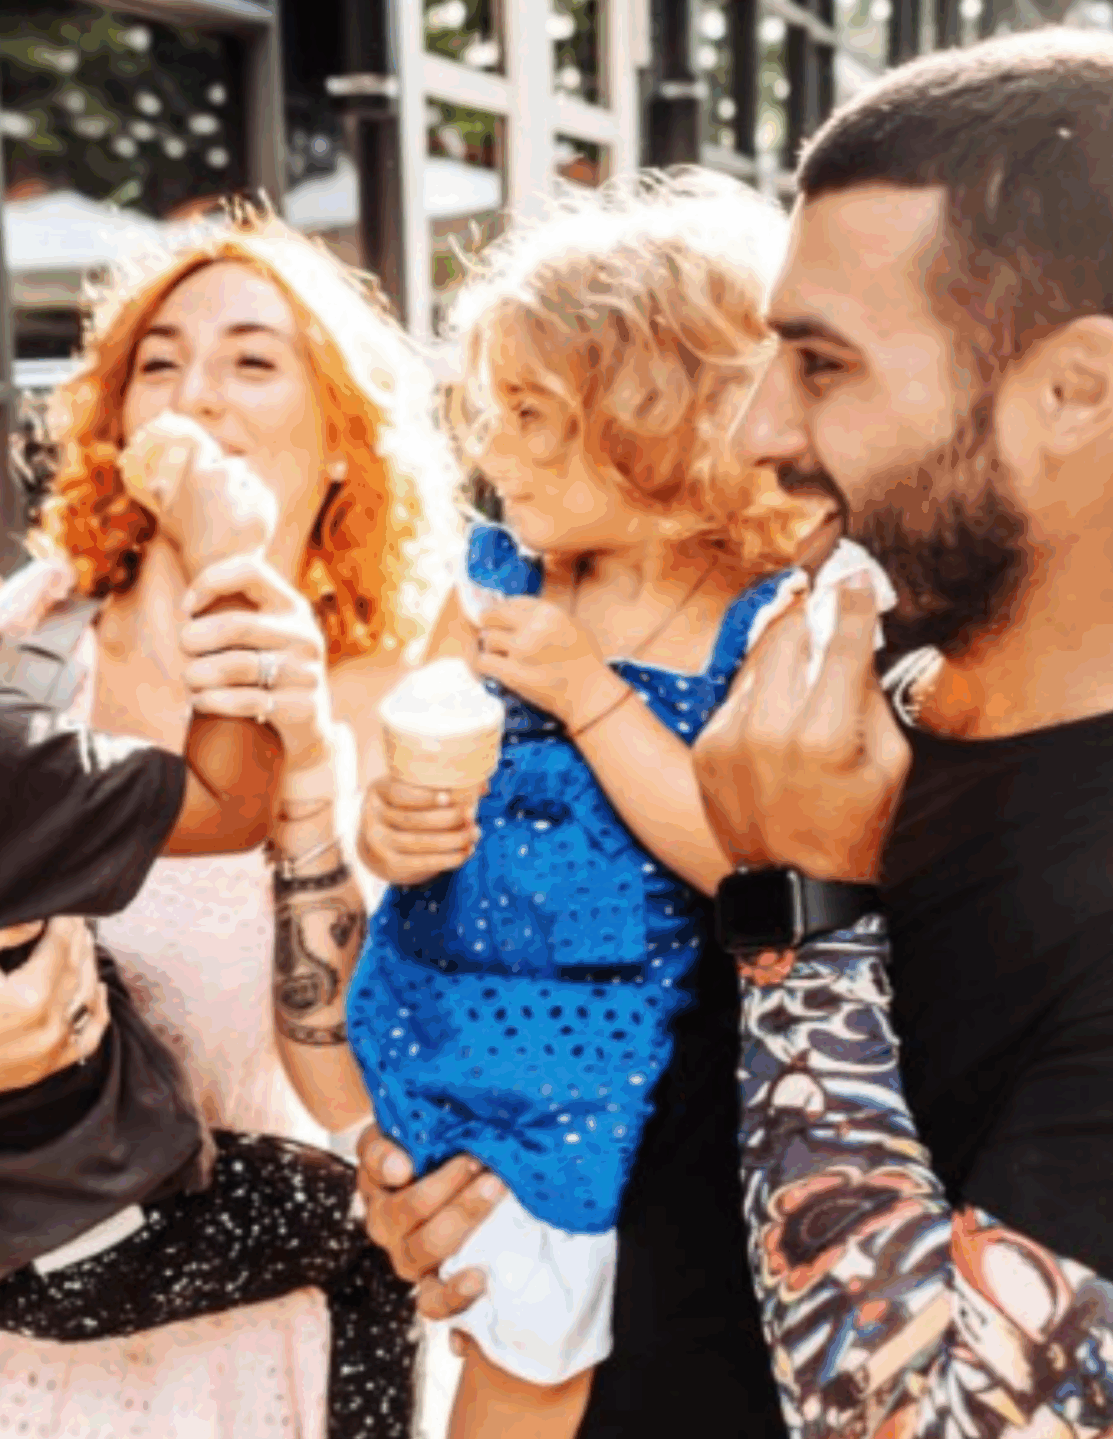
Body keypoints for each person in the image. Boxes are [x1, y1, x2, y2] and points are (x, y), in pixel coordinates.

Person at [356, 32, 1113, 1439]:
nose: (759, 429)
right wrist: (468, 1193)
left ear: (1075, 393)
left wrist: (804, 916)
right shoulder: (812, 686)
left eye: (821, 364)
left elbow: (920, 1422)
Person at [0, 211, 454, 1439]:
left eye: (252, 360)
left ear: (341, 440)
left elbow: (391, 1076)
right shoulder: (1, 649)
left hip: (232, 1338)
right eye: (158, 362)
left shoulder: (408, 699)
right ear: (116, 424)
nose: (196, 392)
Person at [349, 172, 822, 1439]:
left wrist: (587, 690)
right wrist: (385, 823)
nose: (491, 446)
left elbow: (734, 855)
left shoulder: (761, 617)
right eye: (487, 407)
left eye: (532, 412)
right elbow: (410, 765)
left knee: (542, 1333)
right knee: (497, 1314)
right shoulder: (496, 578)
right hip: (445, 1006)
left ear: (669, 416)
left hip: (604, 1058)